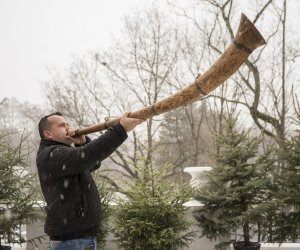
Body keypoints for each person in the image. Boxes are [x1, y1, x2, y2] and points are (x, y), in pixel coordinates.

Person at [36, 111, 143, 250]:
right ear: (48, 134)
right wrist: (120, 129)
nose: (68, 128)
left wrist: (82, 143)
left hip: (78, 238)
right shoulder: (50, 154)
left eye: (68, 124)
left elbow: (92, 163)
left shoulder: (61, 155)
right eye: (62, 125)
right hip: (72, 240)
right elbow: (86, 156)